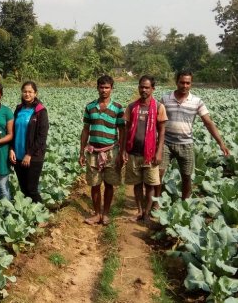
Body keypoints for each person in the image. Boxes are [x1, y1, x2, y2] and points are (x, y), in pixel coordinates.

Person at [157, 70, 230, 200]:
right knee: (159, 173)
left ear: (191, 84)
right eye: (182, 82)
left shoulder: (197, 101)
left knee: (186, 176)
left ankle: (185, 204)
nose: (184, 86)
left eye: (188, 83)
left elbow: (208, 123)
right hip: (166, 143)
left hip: (186, 144)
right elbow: (157, 119)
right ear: (176, 82)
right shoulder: (165, 98)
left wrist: (221, 143)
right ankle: (156, 202)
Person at [79, 75, 125, 226]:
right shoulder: (90, 107)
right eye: (101, 87)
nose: (104, 90)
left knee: (109, 184)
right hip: (93, 151)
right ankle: (97, 214)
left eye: (107, 87)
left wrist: (122, 152)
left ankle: (105, 214)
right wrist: (81, 151)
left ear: (112, 89)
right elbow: (86, 130)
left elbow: (122, 131)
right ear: (97, 88)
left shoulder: (117, 108)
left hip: (111, 151)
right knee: (94, 184)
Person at [123, 75, 167, 223]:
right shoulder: (132, 107)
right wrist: (124, 150)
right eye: (141, 86)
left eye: (147, 87)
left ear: (153, 89)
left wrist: (159, 151)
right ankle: (139, 211)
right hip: (134, 152)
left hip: (150, 154)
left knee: (150, 185)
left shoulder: (159, 107)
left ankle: (147, 213)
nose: (144, 90)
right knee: (137, 184)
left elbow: (161, 131)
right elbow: (126, 129)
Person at [9, 81, 49, 203]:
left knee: (32, 189)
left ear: (35, 93)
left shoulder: (40, 111)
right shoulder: (19, 109)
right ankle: (30, 217)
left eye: (30, 92)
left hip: (33, 156)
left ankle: (42, 213)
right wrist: (11, 149)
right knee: (23, 189)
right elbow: (12, 131)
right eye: (25, 91)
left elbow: (42, 136)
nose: (27, 94)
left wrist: (29, 154)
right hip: (18, 155)